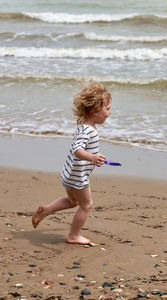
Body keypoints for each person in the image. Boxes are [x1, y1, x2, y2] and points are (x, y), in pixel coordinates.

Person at [32, 81, 112, 245]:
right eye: (107, 109)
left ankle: (46, 210)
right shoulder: (89, 130)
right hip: (77, 178)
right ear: (96, 111)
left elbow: (81, 149)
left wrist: (94, 157)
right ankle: (74, 235)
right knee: (86, 205)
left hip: (69, 174)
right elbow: (77, 150)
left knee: (72, 202)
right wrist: (92, 158)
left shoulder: (83, 127)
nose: (109, 113)